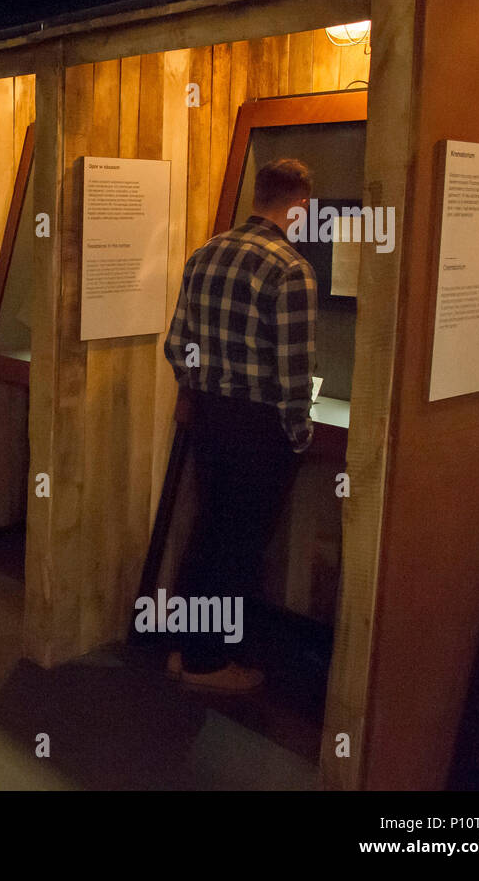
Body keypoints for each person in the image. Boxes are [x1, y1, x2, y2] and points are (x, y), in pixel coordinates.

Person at [162, 158, 317, 694]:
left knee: (209, 531)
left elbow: (176, 342)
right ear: (297, 205)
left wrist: (194, 387)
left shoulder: (206, 253)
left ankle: (183, 649)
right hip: (259, 426)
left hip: (210, 415)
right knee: (239, 545)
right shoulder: (291, 269)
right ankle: (209, 664)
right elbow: (295, 374)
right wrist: (299, 436)